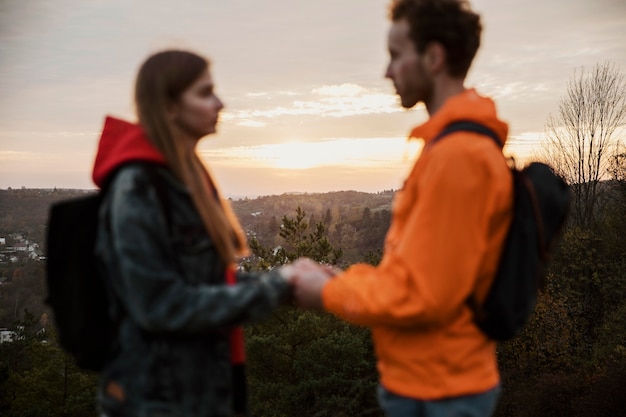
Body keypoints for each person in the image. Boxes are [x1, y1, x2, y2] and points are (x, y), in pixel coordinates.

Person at [290, 0, 513, 416]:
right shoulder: (448, 147)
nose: (386, 71)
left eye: (395, 54)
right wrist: (343, 278)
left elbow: (423, 297)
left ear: (434, 57)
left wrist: (328, 292)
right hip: (429, 383)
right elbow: (418, 274)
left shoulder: (458, 157)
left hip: (441, 392)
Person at [92, 50, 293, 417]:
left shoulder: (188, 180)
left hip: (205, 387)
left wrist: (288, 281)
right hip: (157, 399)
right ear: (169, 106)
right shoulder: (138, 186)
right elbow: (161, 304)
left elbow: (208, 286)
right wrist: (279, 288)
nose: (221, 103)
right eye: (205, 93)